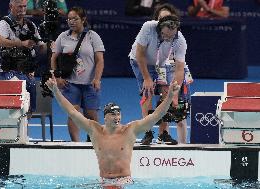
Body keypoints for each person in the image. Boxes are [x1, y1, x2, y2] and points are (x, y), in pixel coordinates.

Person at [45, 75, 180, 187]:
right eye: (113, 114)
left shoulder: (130, 131)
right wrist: (56, 92)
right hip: (103, 181)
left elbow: (156, 115)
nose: (117, 117)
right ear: (105, 117)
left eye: (118, 114)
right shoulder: (94, 130)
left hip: (124, 182)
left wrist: (169, 97)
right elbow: (72, 112)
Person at [129, 3, 190, 145]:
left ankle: (163, 133)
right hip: (139, 61)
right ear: (160, 27)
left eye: (171, 37)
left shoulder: (180, 40)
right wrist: (146, 78)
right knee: (147, 92)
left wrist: (174, 94)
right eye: (165, 36)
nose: (167, 39)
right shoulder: (148, 27)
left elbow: (179, 69)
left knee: (166, 94)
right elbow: (140, 54)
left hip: (160, 64)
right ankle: (147, 132)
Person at [51, 7, 105, 142]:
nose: (71, 22)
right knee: (73, 114)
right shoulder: (63, 37)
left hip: (90, 83)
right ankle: (75, 144)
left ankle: (93, 142)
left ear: (83, 19)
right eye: (69, 19)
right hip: (70, 83)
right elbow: (53, 58)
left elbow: (100, 60)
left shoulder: (93, 36)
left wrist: (97, 79)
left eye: (75, 19)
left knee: (91, 115)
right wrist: (57, 77)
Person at [0, 0, 45, 113]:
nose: (22, 9)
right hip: (9, 70)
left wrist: (50, 45)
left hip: (27, 72)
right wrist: (21, 43)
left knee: (29, 110)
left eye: (24, 6)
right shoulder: (4, 23)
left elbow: (42, 47)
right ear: (11, 6)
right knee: (16, 106)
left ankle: (24, 129)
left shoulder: (31, 25)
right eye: (19, 6)